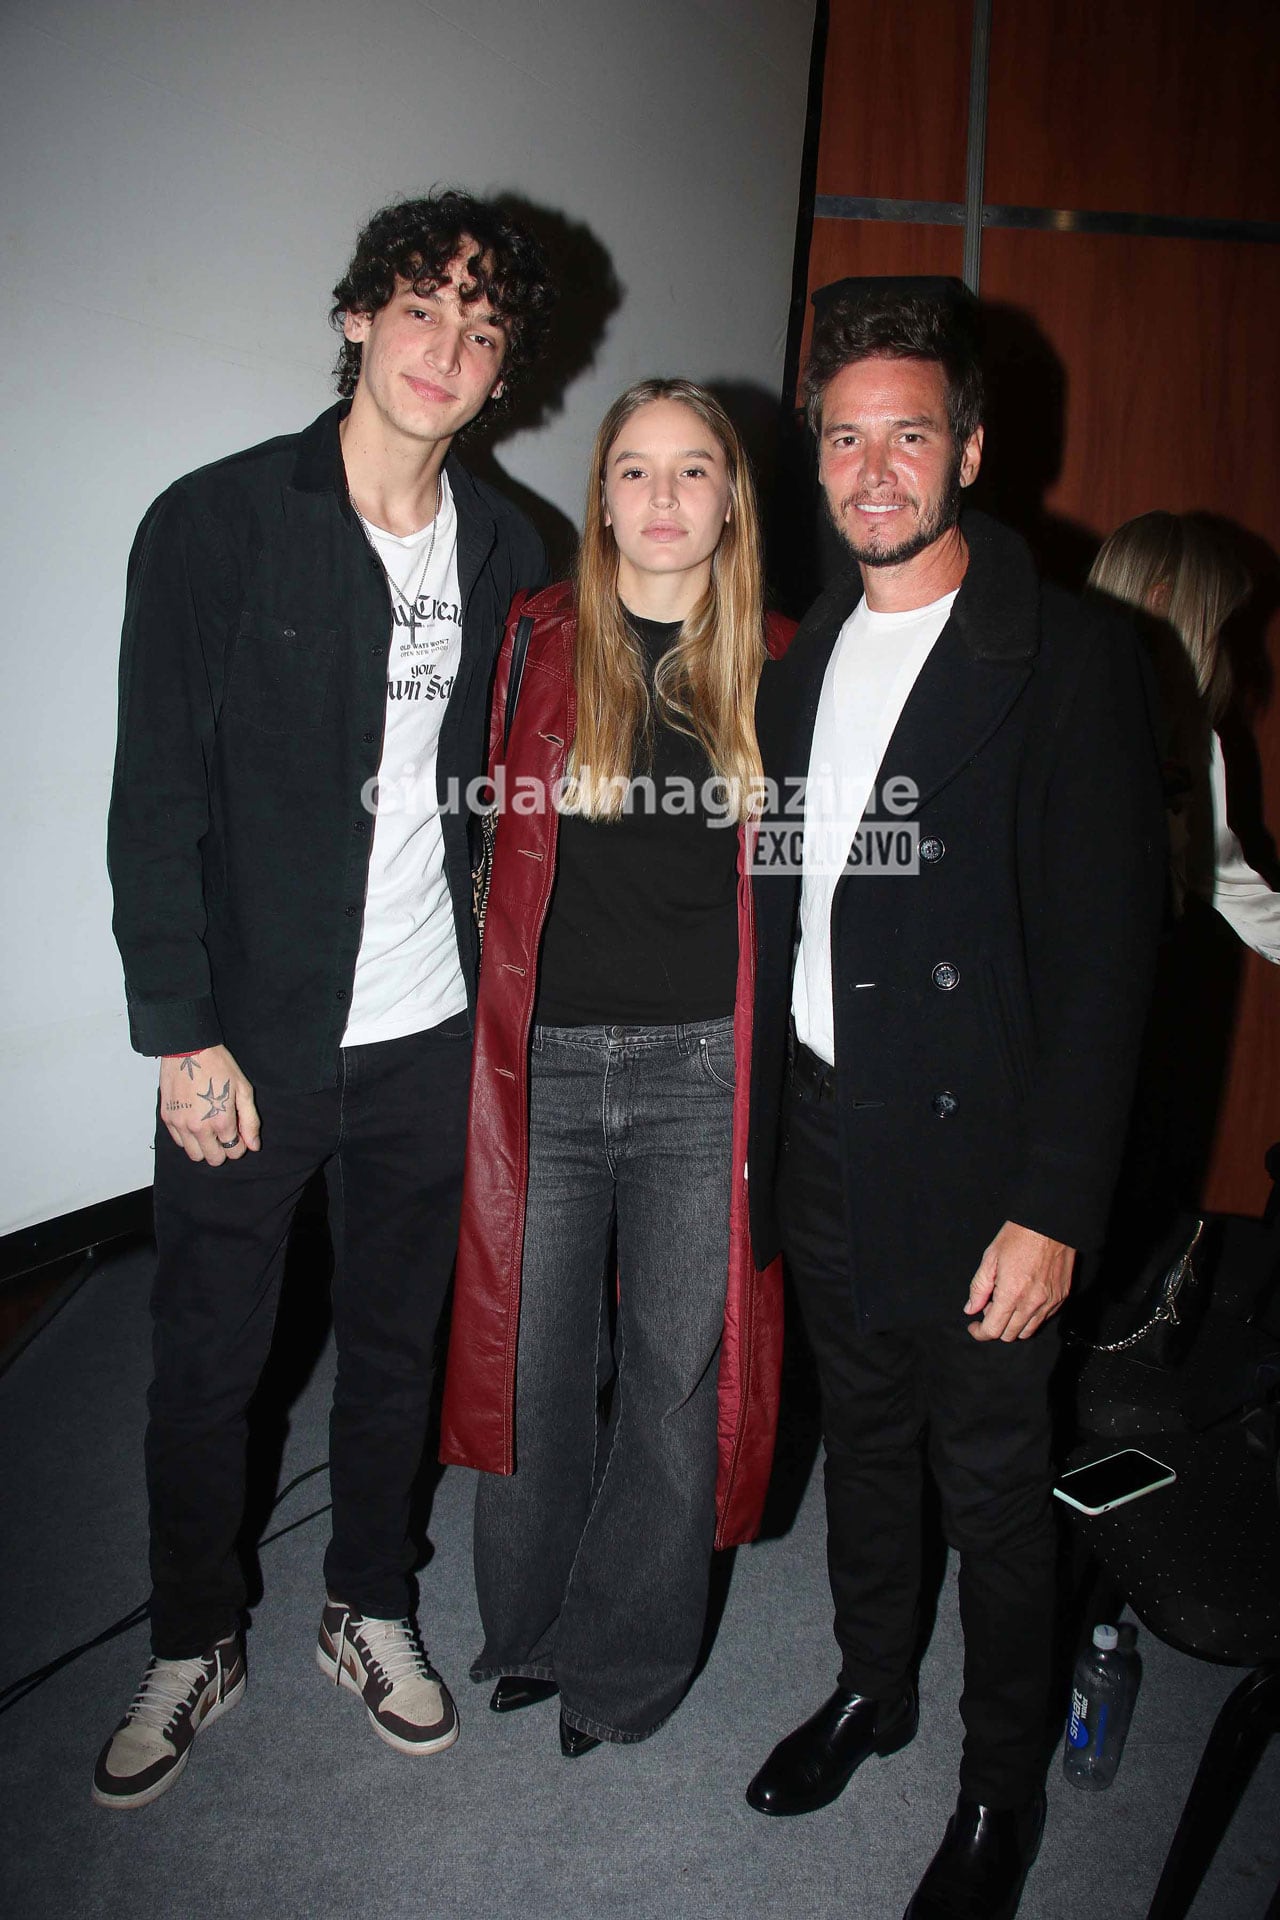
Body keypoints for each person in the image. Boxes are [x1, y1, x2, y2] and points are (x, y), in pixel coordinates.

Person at [97, 191, 555, 1809]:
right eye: (423, 309)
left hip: (431, 1045)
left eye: (484, 330)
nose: (449, 349)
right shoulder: (216, 526)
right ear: (359, 317)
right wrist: (180, 1028)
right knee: (206, 1360)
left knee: (395, 1345)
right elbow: (156, 794)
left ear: (506, 373)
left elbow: (529, 794)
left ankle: (371, 1602)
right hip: (254, 1045)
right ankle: (194, 1631)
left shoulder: (519, 555)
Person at [742, 279, 1166, 1920]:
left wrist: (1057, 1204)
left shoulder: (1072, 656)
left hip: (982, 1157)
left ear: (971, 448)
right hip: (829, 1126)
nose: (870, 467)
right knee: (863, 1440)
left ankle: (998, 1787)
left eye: (907, 433)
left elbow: (1113, 964)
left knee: (992, 1479)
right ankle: (873, 1686)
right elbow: (796, 892)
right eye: (843, 436)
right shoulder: (809, 653)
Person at [438, 378, 792, 1755]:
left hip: (710, 1077)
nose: (660, 499)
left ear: (729, 500)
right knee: (530, 1370)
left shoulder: (783, 662)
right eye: (633, 470)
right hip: (550, 1072)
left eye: (691, 470)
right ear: (601, 496)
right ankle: (527, 1629)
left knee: (674, 1379)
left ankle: (627, 1668)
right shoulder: (536, 643)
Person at [1089, 511, 1280, 963]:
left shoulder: (1192, 741)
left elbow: (1229, 884)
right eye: (1215, 629)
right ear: (1161, 603)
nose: (1223, 652)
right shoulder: (1037, 703)